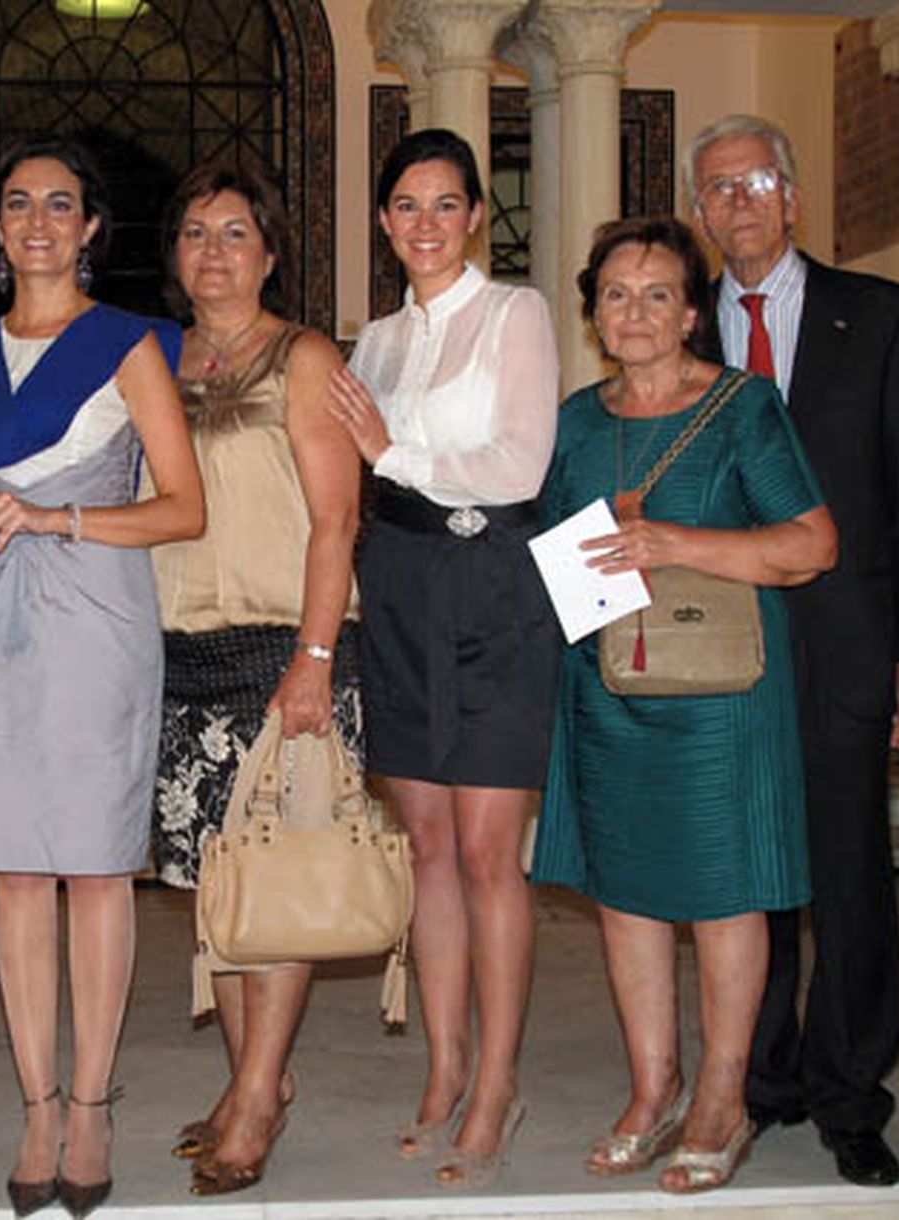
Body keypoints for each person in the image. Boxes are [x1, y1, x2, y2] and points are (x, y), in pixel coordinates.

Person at [532, 215, 838, 1193]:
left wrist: (672, 541)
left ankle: (720, 1095)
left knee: (724, 893)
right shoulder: (576, 419)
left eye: (656, 291)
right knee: (624, 892)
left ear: (691, 310)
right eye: (615, 293)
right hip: (609, 686)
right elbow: (558, 553)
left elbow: (809, 544)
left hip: (722, 701)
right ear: (592, 312)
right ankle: (651, 1085)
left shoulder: (744, 408)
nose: (634, 310)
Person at [0, 135, 203, 1219]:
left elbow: (184, 506)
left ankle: (91, 1100)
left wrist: (55, 515)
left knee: (93, 868)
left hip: (96, 624)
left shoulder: (131, 344)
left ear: (91, 226)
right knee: (12, 873)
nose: (37, 220)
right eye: (16, 203)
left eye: (60, 203)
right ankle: (34, 1100)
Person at [687, 114, 899, 1188]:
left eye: (755, 179)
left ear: (791, 197)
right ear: (702, 213)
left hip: (848, 644)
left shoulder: (880, 318)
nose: (737, 199)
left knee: (846, 875)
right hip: (720, 648)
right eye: (716, 187)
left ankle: (851, 1091)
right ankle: (758, 1077)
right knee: (742, 870)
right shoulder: (675, 329)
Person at [327, 127, 559, 1187]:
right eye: (406, 206)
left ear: (474, 214)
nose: (425, 223)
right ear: (384, 222)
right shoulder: (368, 344)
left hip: (498, 590)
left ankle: (499, 1077)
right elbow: (352, 492)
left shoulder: (518, 313)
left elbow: (517, 465)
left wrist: (393, 451)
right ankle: (446, 1059)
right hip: (405, 594)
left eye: (445, 204)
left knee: (483, 852)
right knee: (424, 846)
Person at [148, 163, 361, 1196]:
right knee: (216, 894)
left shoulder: (303, 356)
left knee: (277, 892)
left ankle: (257, 1094)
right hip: (179, 657)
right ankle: (250, 1082)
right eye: (195, 232)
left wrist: (315, 657)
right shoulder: (152, 359)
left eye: (236, 232)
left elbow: (336, 518)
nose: (215, 250)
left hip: (285, 656)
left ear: (271, 251)